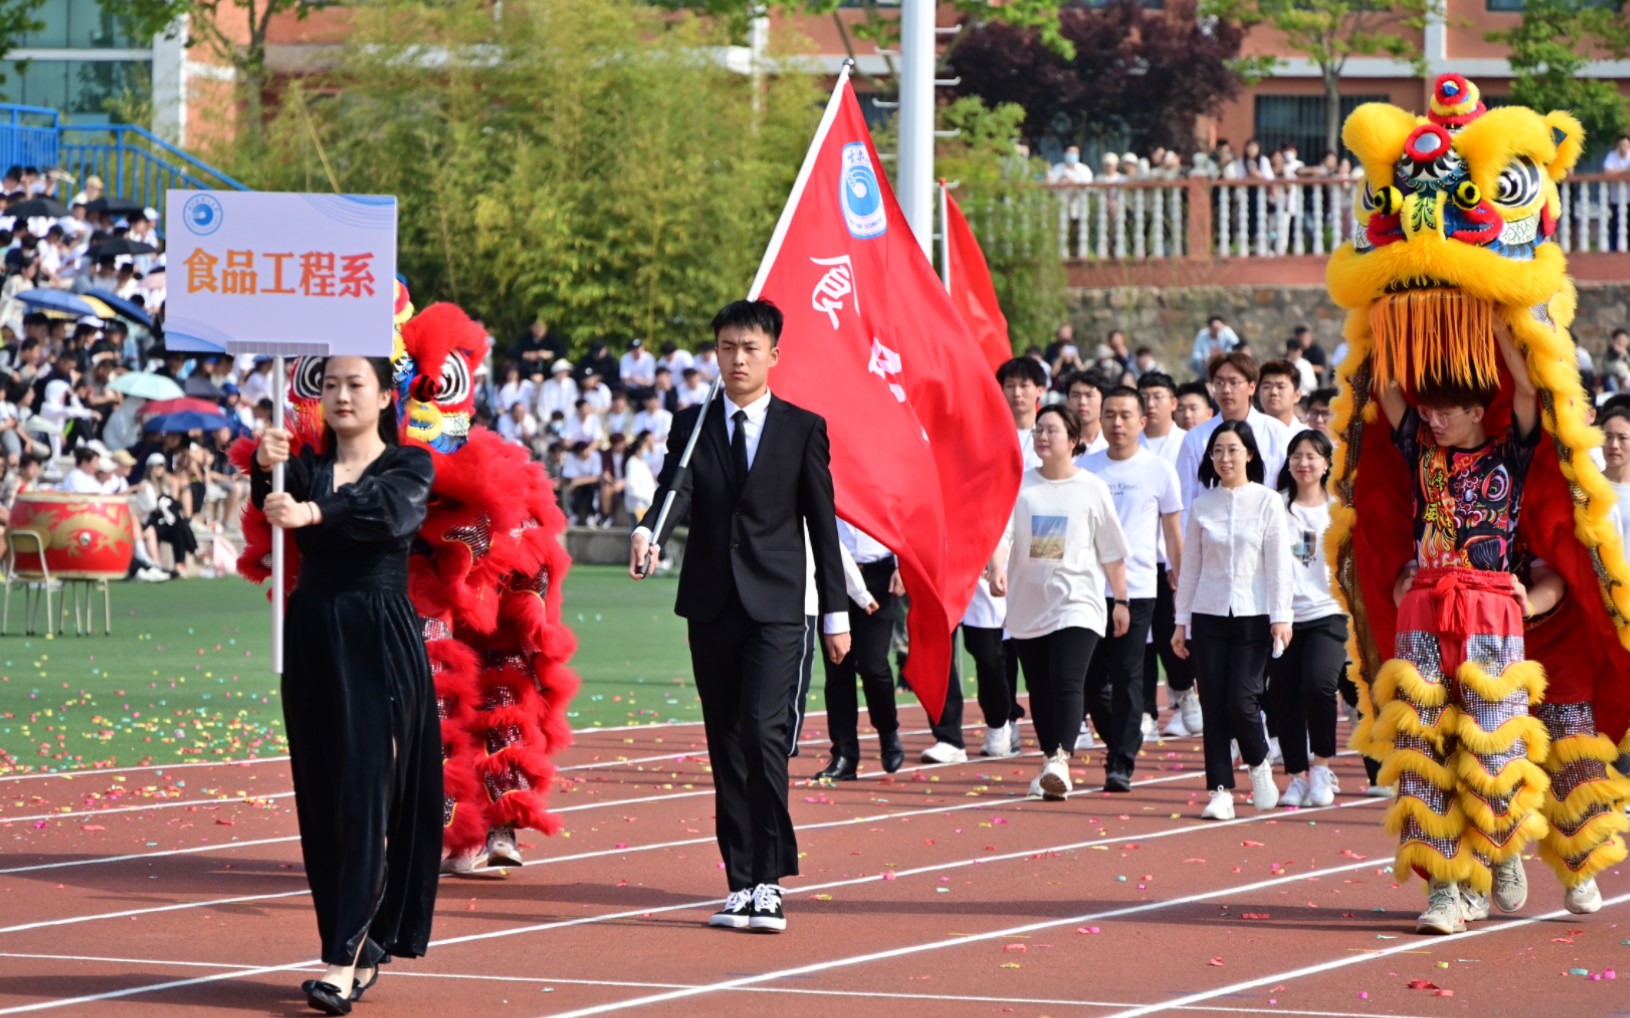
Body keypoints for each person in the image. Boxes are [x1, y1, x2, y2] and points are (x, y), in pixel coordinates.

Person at [628, 299, 848, 934]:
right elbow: (675, 490)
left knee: (762, 732)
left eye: (750, 348)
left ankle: (770, 881)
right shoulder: (692, 425)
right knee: (725, 742)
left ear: (774, 355)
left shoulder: (802, 427)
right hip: (710, 604)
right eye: (727, 347)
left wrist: (834, 612)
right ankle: (741, 881)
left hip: (778, 607)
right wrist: (648, 532)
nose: (738, 358)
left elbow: (822, 526)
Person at [251, 355, 440, 1014]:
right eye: (329, 384)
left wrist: (312, 515)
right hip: (313, 634)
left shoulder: (409, 468)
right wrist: (263, 463)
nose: (341, 395)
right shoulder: (299, 467)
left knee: (366, 792)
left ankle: (339, 958)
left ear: (387, 396)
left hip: (379, 636)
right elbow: (267, 502)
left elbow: (387, 516)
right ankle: (357, 948)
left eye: (356, 383)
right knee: (325, 797)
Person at [1370, 321, 1571, 934]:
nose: (1432, 419)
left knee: (1491, 747)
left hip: (1490, 613)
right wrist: (1386, 309)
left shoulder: (1511, 452)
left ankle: (1503, 849)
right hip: (1424, 612)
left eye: (1445, 411)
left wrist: (1505, 323)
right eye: (1428, 410)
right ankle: (1444, 890)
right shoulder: (1419, 454)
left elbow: (1530, 391)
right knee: (1424, 748)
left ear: (1479, 409)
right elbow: (1386, 385)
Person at [988, 404, 1130, 801]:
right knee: (1039, 688)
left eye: (1052, 430)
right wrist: (996, 568)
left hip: (1078, 602)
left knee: (1068, 681)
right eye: (1038, 431)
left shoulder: (1091, 488)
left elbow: (1112, 552)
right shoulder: (1020, 485)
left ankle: (1061, 760)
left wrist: (1121, 600)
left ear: (1073, 441)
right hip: (1028, 604)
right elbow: (1002, 536)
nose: (1043, 437)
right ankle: (1052, 758)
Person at [1172, 421, 1293, 821]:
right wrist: (1180, 621)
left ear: (1250, 455)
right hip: (1207, 616)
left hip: (1253, 615)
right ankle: (1220, 790)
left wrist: (1281, 617)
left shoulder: (1267, 501)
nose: (1225, 458)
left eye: (1233, 450)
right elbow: (1190, 568)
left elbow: (1278, 566)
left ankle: (1258, 763)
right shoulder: (1202, 505)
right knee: (1214, 706)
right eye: (1218, 451)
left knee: (1242, 701)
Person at [1079, 387, 1182, 789]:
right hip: (1087, 588)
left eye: (1125, 415)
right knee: (1089, 680)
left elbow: (1172, 531)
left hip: (1138, 587)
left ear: (1142, 421)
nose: (1116, 423)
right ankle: (1124, 738)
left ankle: (1120, 761)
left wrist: (1179, 574)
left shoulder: (1158, 470)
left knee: (1127, 674)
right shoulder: (1085, 468)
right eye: (1110, 415)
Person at [966, 357, 1045, 759]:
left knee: (1031, 648)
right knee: (986, 648)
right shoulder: (981, 437)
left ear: (1039, 392)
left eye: (1024, 385)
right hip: (986, 552)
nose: (1016, 392)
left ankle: (1057, 722)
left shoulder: (1052, 436)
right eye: (1009, 385)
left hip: (1035, 557)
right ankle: (999, 721)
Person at [1269, 429, 1348, 808]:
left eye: (1312, 456)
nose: (1304, 463)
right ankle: (1296, 777)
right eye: (1297, 456)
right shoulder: (1277, 507)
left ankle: (1321, 767)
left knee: (1318, 685)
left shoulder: (1339, 508)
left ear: (1326, 463)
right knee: (1283, 697)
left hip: (1328, 613)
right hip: (1282, 618)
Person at [1137, 371, 1201, 738]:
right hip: (1140, 559)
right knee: (1139, 640)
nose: (1151, 402)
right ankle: (1146, 711)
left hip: (1176, 556)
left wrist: (1185, 560)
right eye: (1144, 395)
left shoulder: (1187, 444)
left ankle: (1185, 692)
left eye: (1158, 395)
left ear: (1173, 402)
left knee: (1170, 634)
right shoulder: (1131, 445)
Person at [814, 521, 904, 780]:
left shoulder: (884, 479)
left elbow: (901, 514)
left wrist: (902, 566)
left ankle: (888, 731)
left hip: (880, 575)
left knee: (872, 664)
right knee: (838, 667)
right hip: (833, 575)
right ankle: (844, 755)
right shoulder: (825, 479)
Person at [1174, 352, 1292, 514]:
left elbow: (1287, 493)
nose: (1226, 390)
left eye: (1234, 382)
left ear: (1252, 387)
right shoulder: (1195, 438)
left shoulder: (1277, 433)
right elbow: (1185, 499)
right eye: (1219, 383)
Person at [1065, 372, 1109, 458]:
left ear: (1104, 400)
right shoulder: (1058, 442)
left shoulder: (1112, 443)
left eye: (1089, 395)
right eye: (1075, 395)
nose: (1082, 402)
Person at [1256, 359, 1302, 428]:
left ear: (1297, 395)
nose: (1273, 392)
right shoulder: (1247, 433)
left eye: (1281, 387)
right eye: (1267, 387)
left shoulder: (1306, 436)